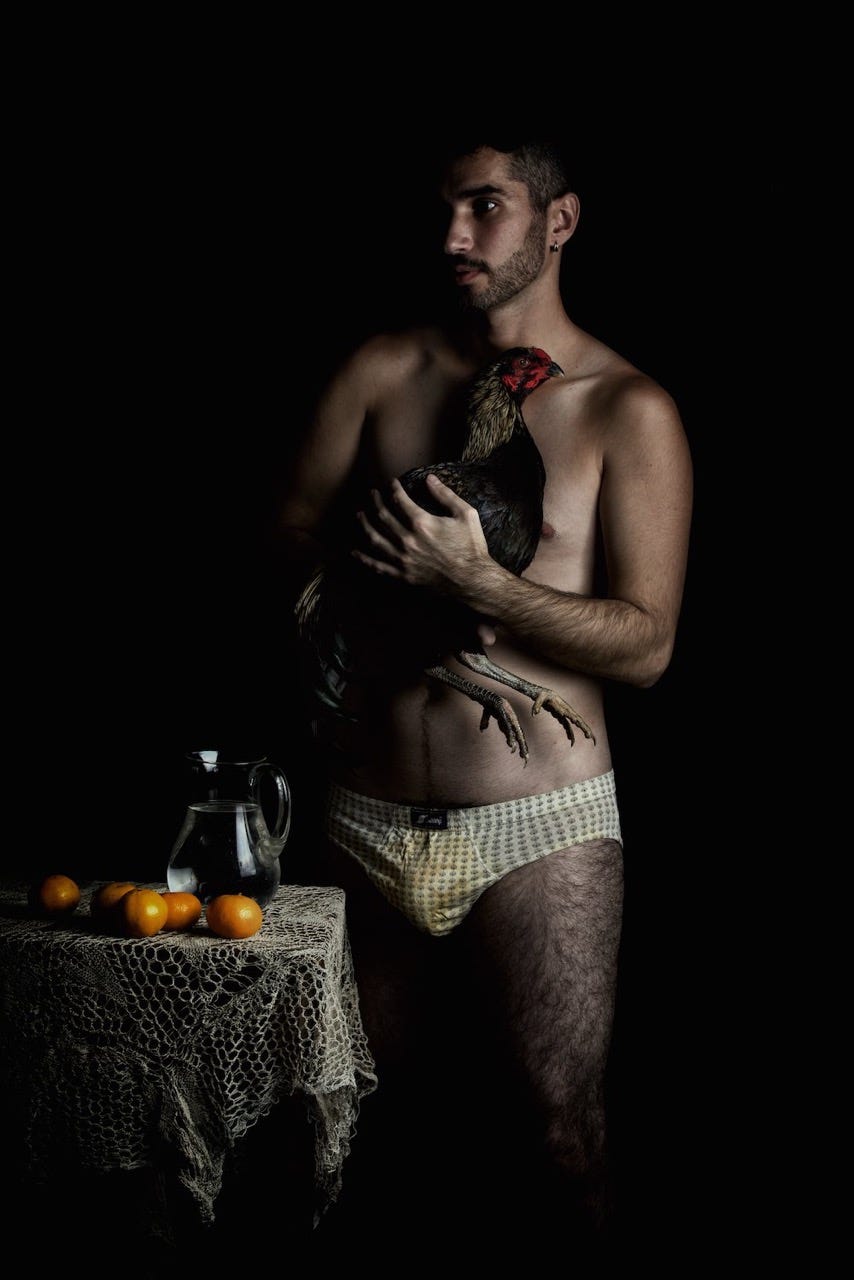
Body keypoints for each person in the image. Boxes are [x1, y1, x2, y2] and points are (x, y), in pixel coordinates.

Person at [276, 133, 692, 1261]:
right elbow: (287, 532)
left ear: (560, 220)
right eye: (441, 210)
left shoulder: (628, 409)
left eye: (484, 206)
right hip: (360, 820)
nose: (452, 235)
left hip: (539, 828)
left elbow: (647, 646)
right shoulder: (381, 369)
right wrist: (364, 589)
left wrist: (475, 583)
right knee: (344, 1140)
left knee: (561, 1142)